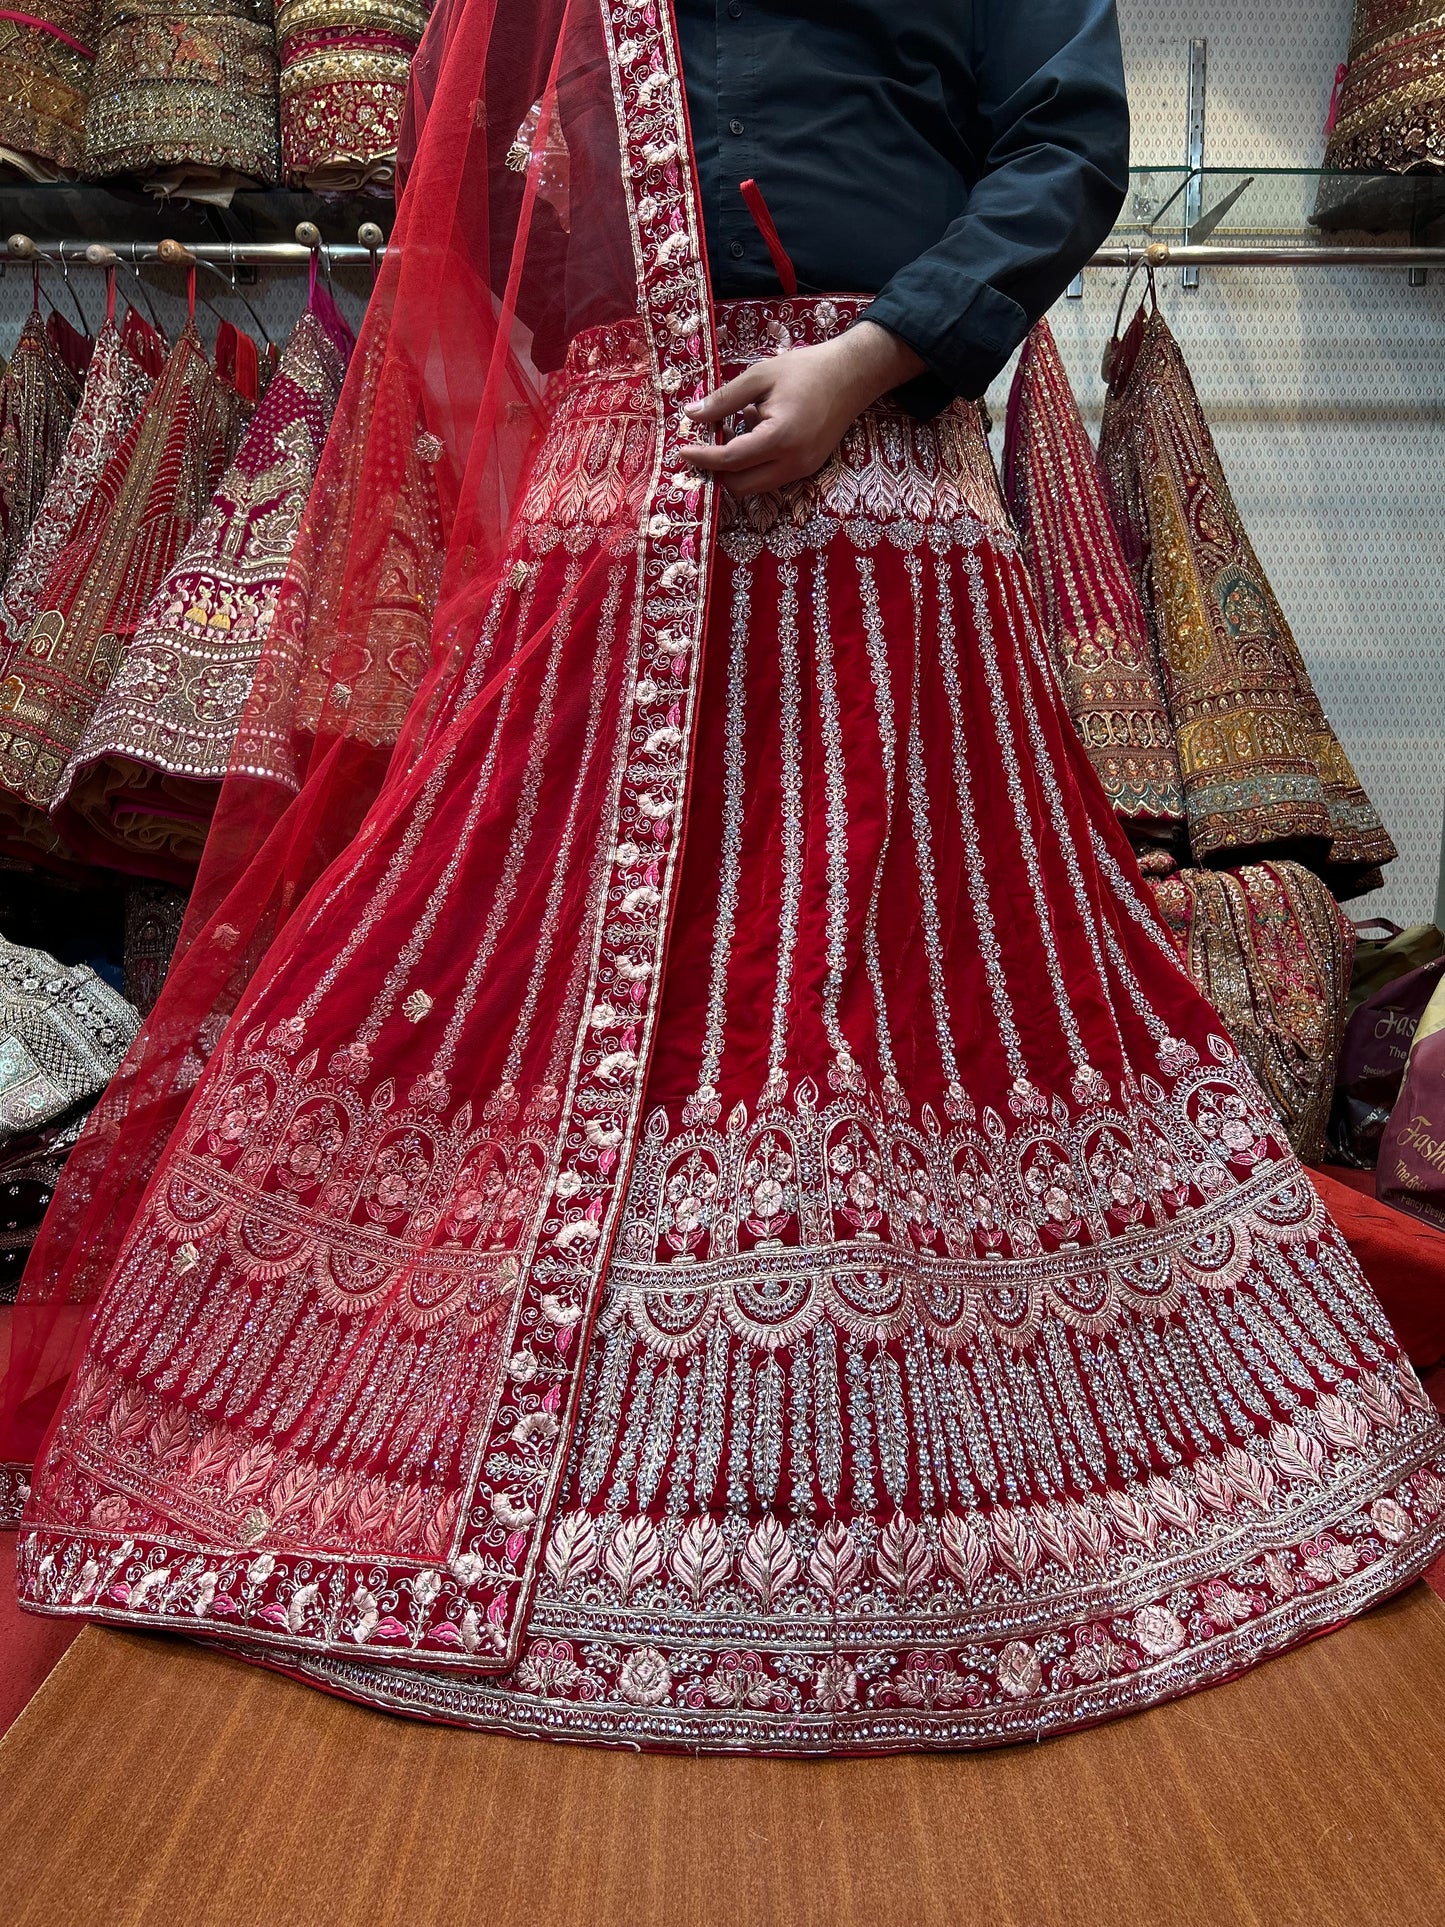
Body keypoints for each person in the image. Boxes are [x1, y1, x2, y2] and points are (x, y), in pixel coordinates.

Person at [8, 0, 1445, 1754]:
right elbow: (481, 216)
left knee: (892, 971)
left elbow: (1064, 143)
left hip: (880, 502)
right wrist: (608, 348)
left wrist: (864, 361)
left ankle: (895, 1505)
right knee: (522, 953)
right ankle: (467, 1449)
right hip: (616, 497)